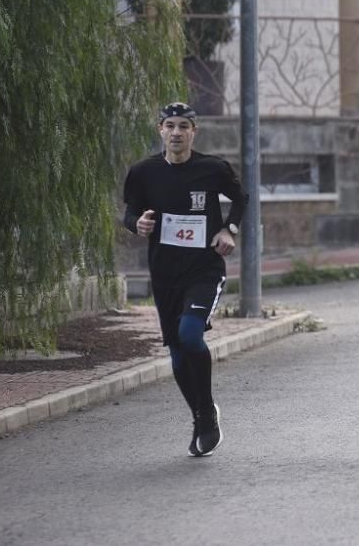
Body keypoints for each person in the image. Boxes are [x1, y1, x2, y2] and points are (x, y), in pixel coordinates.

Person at [122, 102, 248, 457]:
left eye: (183, 126)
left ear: (194, 132)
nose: (176, 132)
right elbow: (130, 211)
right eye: (170, 126)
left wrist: (229, 229)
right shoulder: (143, 172)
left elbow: (240, 197)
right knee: (177, 354)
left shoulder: (212, 168)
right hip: (164, 273)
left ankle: (206, 410)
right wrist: (137, 224)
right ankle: (201, 419)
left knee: (190, 334)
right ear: (160, 130)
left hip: (204, 268)